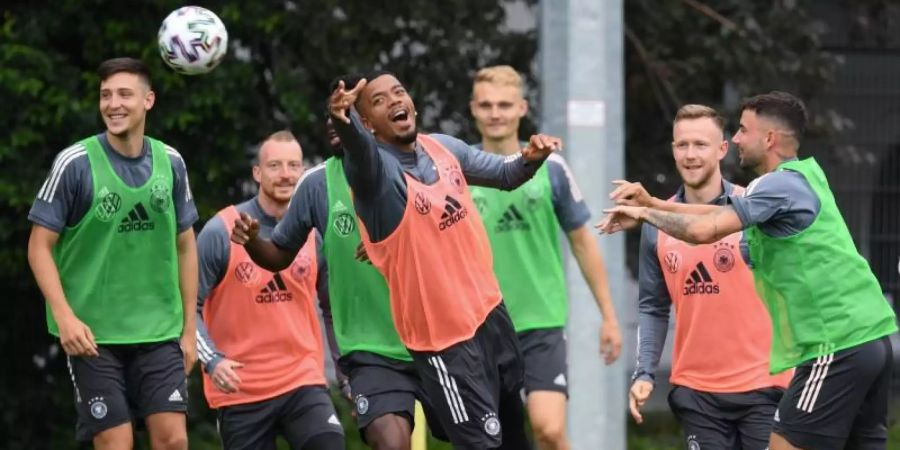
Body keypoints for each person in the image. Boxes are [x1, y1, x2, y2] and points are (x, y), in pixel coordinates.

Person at [235, 70, 560, 449]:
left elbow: (506, 173)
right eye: (375, 102)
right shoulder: (369, 176)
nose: (394, 101)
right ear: (365, 125)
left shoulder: (443, 149)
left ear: (414, 104)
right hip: (419, 343)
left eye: (399, 92)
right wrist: (256, 241)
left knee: (513, 437)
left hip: (488, 318)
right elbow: (281, 250)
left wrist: (531, 158)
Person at [599, 91, 897, 450]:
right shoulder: (803, 176)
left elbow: (703, 231)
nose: (737, 138)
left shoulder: (773, 184)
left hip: (834, 344)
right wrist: (656, 203)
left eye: (742, 130)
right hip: (873, 336)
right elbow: (715, 214)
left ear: (768, 138)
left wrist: (645, 214)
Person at [228, 86, 447, 450]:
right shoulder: (316, 184)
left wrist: (390, 241)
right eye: (332, 114)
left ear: (370, 124)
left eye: (348, 113)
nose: (335, 123)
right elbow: (279, 255)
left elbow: (449, 234)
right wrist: (252, 241)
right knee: (392, 444)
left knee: (480, 437)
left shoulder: (415, 165)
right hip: (370, 351)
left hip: (436, 340)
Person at [26, 57, 197, 450]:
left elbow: (186, 244)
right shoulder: (75, 163)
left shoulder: (171, 163)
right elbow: (39, 246)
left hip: (159, 330)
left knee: (173, 441)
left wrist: (189, 331)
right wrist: (65, 318)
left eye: (124, 94)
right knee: (116, 443)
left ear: (148, 100)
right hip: (92, 335)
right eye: (106, 95)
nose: (113, 104)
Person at [467, 65, 622, 450]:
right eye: (486, 105)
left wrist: (609, 316)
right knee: (496, 440)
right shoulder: (459, 171)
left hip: (542, 322)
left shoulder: (551, 167)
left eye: (504, 104)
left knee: (549, 429)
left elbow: (584, 242)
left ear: (522, 108)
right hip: (480, 327)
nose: (495, 113)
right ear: (473, 109)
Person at [629, 104, 792, 449]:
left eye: (700, 145)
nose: (690, 155)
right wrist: (644, 370)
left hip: (764, 385)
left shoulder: (754, 205)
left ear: (722, 149)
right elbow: (653, 306)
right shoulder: (656, 223)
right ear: (673, 149)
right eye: (682, 145)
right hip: (697, 392)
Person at [195, 131, 345, 450]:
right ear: (257, 173)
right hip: (241, 390)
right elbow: (185, 309)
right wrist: (212, 361)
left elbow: (334, 310)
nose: (286, 174)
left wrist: (345, 371)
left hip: (302, 381)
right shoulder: (221, 231)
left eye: (293, 165)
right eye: (275, 165)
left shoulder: (314, 232)